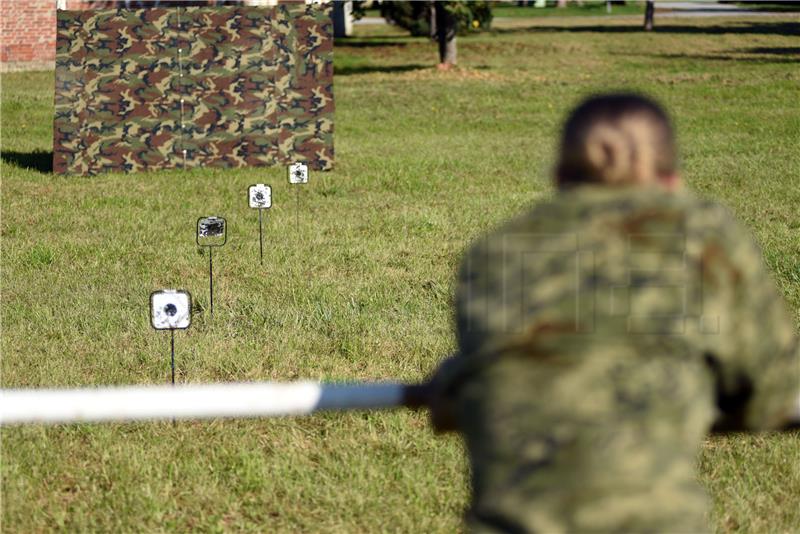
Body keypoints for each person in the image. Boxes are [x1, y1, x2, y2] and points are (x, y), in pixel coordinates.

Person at [428, 94, 800, 532]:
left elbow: (487, 373)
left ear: (558, 176)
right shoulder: (704, 234)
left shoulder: (493, 254)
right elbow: (770, 397)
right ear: (672, 180)